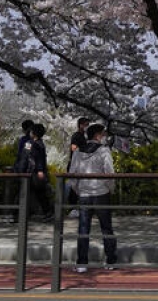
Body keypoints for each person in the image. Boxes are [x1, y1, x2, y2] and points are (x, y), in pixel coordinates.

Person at [70, 123, 118, 273]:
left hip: (84, 194)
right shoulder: (104, 151)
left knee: (83, 229)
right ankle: (110, 260)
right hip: (101, 194)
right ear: (97, 135)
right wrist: (111, 189)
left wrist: (78, 190)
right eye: (103, 134)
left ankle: (82, 263)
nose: (104, 137)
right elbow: (109, 173)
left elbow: (72, 175)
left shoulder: (78, 152)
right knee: (106, 228)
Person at [66, 117, 90, 212]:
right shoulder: (77, 136)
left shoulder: (84, 137)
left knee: (79, 187)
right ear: (80, 125)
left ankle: (76, 208)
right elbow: (73, 148)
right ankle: (72, 208)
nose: (87, 127)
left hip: (80, 165)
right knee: (74, 187)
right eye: (85, 124)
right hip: (74, 165)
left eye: (88, 125)